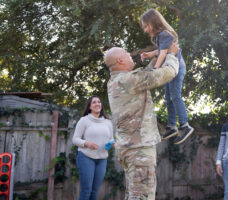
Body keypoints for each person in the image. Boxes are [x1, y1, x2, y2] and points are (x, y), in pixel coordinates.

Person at [104, 43, 179, 200]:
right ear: (120, 61)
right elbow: (166, 73)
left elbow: (146, 74)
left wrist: (157, 57)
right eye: (126, 53)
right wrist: (171, 55)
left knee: (134, 195)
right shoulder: (129, 80)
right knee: (141, 197)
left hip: (130, 148)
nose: (130, 54)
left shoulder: (117, 81)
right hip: (139, 150)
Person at [140, 8, 194, 145]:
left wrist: (155, 69)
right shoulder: (160, 36)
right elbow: (160, 50)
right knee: (168, 98)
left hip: (176, 68)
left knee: (175, 96)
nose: (145, 30)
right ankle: (171, 126)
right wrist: (149, 54)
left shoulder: (164, 34)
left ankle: (184, 125)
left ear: (153, 22)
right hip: (171, 68)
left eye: (146, 26)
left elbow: (163, 54)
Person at [72, 96, 114, 200]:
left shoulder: (108, 122)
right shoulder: (84, 120)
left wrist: (112, 144)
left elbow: (111, 139)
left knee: (95, 191)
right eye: (94, 102)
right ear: (90, 106)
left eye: (99, 102)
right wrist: (87, 143)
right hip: (86, 157)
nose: (97, 104)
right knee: (87, 190)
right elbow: (75, 139)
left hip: (102, 159)